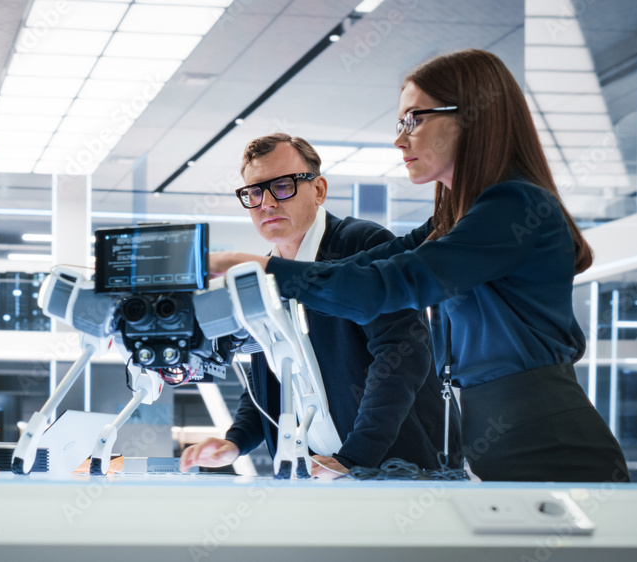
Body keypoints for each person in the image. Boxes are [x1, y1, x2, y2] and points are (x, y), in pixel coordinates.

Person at [209, 49, 628, 482]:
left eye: (414, 120)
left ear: (470, 118)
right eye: (399, 124)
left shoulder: (513, 206)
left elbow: (384, 286)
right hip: (499, 436)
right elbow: (361, 269)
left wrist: (253, 266)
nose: (399, 139)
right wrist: (253, 267)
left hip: (549, 440)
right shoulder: (453, 220)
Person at [180, 134, 460, 478]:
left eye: (282, 186)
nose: (266, 203)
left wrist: (357, 456)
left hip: (395, 468)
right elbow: (273, 372)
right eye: (254, 192)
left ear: (319, 190)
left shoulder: (362, 244)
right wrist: (236, 441)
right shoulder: (263, 276)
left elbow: (401, 354)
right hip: (319, 472)